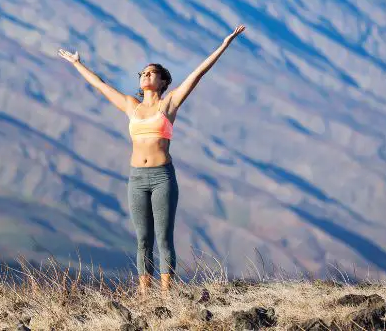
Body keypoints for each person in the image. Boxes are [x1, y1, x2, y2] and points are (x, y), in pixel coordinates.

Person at [58, 24, 246, 293]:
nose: (145, 75)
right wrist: (77, 63)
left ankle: (167, 293)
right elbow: (99, 84)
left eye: (151, 72)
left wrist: (225, 44)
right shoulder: (130, 106)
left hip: (161, 177)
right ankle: (145, 294)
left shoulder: (168, 104)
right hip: (136, 178)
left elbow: (199, 73)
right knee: (142, 239)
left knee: (164, 238)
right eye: (143, 73)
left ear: (163, 81)